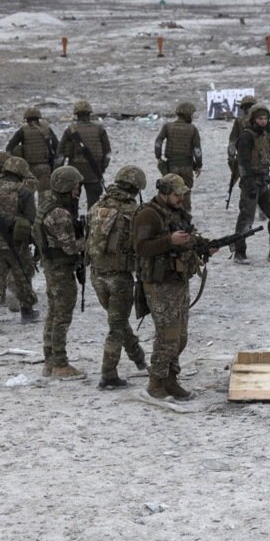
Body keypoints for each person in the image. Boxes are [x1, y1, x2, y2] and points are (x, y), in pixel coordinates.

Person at [132, 173, 216, 399]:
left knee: (180, 337)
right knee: (167, 336)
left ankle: (171, 378)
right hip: (159, 284)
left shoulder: (177, 213)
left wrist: (205, 246)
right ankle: (156, 381)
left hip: (178, 280)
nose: (181, 199)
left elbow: (189, 238)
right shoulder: (148, 215)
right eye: (177, 195)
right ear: (164, 192)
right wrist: (169, 241)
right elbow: (141, 247)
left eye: (182, 195)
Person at [85, 165, 149, 390]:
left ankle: (139, 358)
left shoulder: (97, 207)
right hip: (120, 278)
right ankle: (108, 375)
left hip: (96, 276)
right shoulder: (134, 212)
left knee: (118, 322)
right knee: (117, 327)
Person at [0, 156, 39, 335]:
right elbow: (31, 219)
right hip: (18, 245)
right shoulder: (24, 192)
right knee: (23, 277)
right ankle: (27, 311)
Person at [35, 165, 87, 379]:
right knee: (61, 317)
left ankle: (50, 361)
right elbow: (70, 246)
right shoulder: (59, 213)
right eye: (75, 186)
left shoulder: (49, 204)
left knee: (54, 314)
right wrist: (90, 240)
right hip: (60, 269)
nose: (78, 190)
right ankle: (60, 364)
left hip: (52, 267)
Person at [232, 103, 270, 263]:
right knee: (246, 218)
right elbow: (243, 162)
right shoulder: (246, 136)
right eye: (260, 118)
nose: (263, 121)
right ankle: (239, 252)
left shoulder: (266, 135)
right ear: (253, 119)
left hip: (265, 181)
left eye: (265, 118)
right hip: (251, 183)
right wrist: (249, 184)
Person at [58, 100, 111, 210]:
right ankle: (91, 226)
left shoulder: (70, 130)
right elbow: (107, 153)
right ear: (89, 114)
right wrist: (102, 168)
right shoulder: (99, 129)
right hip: (94, 171)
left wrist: (58, 171)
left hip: (74, 171)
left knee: (72, 205)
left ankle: (74, 225)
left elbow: (60, 153)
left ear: (76, 114)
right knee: (94, 207)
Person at [154, 101, 202, 211]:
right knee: (185, 191)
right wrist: (198, 165)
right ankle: (185, 215)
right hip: (187, 167)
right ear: (187, 115)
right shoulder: (192, 129)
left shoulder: (168, 127)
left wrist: (158, 157)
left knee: (169, 191)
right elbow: (197, 150)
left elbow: (158, 141)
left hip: (172, 166)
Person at [6, 105, 58, 199]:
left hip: (28, 168)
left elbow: (9, 148)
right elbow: (57, 147)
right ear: (39, 118)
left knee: (28, 197)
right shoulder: (47, 129)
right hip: (45, 168)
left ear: (26, 119)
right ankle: (43, 214)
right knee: (45, 197)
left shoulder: (22, 131)